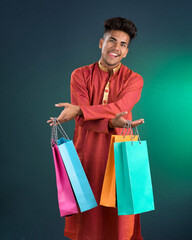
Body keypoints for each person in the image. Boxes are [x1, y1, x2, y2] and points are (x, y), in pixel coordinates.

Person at [48, 17, 144, 240]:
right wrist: (110, 122)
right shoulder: (80, 75)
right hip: (87, 156)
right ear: (101, 43)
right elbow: (83, 121)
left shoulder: (134, 80)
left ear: (127, 52)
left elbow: (119, 107)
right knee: (88, 222)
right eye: (112, 40)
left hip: (120, 155)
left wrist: (81, 110)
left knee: (121, 221)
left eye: (123, 44)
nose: (116, 48)